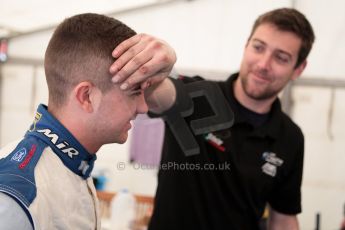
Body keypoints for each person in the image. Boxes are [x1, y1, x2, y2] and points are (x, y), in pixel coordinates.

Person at [109, 7, 315, 230]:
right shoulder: (199, 96)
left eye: (281, 58)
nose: (263, 64)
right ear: (246, 46)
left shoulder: (290, 138)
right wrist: (154, 66)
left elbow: (283, 219)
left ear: (298, 69)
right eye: (258, 47)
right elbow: (158, 93)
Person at [0, 13, 175, 230]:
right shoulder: (19, 194)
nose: (143, 108)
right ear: (87, 97)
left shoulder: (73, 164)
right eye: (134, 92)